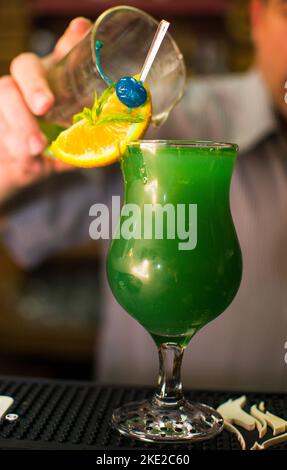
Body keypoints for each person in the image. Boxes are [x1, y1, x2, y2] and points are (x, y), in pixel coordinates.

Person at [1, 0, 287, 392]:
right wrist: (14, 153)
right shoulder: (164, 124)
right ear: (257, 19)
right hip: (137, 444)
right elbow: (23, 223)